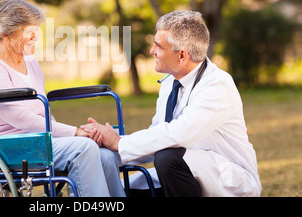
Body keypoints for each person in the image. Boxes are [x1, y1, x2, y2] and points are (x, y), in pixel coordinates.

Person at [83, 10, 261, 197]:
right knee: (121, 191)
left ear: (182, 55)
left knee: (168, 158)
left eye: (158, 46)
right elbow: (157, 137)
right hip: (188, 172)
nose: (152, 51)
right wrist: (106, 146)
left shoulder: (217, 85)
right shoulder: (170, 83)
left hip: (229, 182)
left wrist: (120, 143)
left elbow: (178, 135)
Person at [0, 0, 125, 197]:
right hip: (7, 145)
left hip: (38, 139)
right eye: (29, 31)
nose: (36, 36)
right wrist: (75, 132)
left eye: (37, 29)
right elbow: (18, 117)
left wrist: (78, 132)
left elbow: (41, 113)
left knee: (106, 154)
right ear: (6, 34)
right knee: (85, 148)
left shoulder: (31, 63)